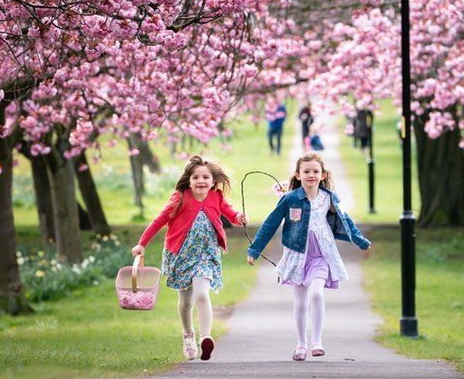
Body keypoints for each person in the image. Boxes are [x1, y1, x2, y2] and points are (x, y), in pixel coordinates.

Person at [246, 153, 371, 361]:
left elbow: (346, 221)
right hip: (297, 256)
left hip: (321, 254)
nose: (311, 175)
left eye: (315, 171)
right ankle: (301, 345)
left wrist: (361, 241)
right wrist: (254, 250)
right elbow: (270, 224)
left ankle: (317, 341)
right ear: (298, 175)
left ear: (322, 175)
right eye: (306, 171)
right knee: (301, 303)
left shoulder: (329, 198)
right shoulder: (290, 199)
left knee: (316, 294)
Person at [132, 155, 247, 361]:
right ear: (189, 180)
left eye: (205, 177)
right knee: (185, 301)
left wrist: (239, 218)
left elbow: (230, 214)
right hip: (180, 255)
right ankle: (188, 335)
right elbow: (159, 221)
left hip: (206, 255)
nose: (201, 181)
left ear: (213, 181)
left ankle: (205, 338)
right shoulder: (180, 197)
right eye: (195, 177)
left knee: (202, 294)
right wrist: (142, 243)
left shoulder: (216, 197)